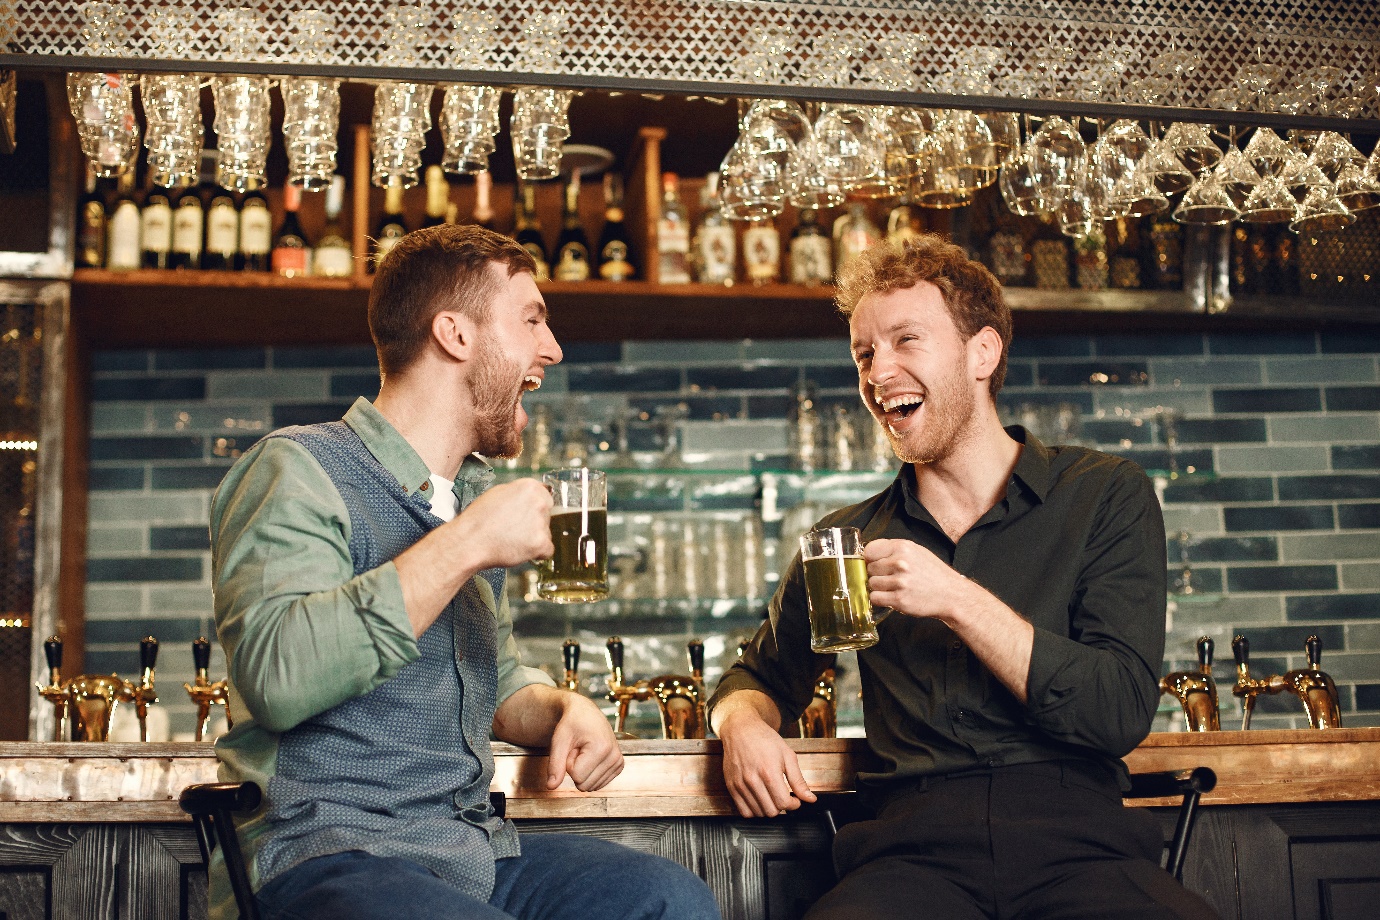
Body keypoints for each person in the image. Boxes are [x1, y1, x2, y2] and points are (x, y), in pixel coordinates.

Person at [209, 224, 722, 920]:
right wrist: (468, 542)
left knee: (671, 902)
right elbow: (276, 677)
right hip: (320, 853)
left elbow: (495, 676)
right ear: (455, 334)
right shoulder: (298, 469)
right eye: (532, 319)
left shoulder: (473, 495)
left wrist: (562, 708)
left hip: (466, 850)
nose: (553, 348)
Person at [707, 235, 1219, 920]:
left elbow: (1118, 712)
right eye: (864, 352)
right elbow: (759, 679)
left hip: (1081, 848)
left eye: (906, 341)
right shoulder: (844, 544)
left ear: (983, 352)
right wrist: (741, 724)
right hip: (907, 857)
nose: (877, 371)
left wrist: (954, 598)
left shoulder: (1104, 494)